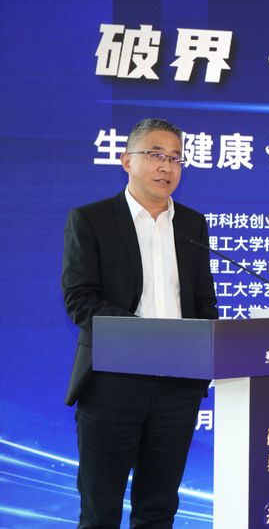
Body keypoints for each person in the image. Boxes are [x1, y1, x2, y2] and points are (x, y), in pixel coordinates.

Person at [62, 118, 218, 528]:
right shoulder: (91, 219)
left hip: (178, 389)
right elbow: (80, 300)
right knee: (100, 511)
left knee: (158, 510)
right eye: (155, 155)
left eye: (176, 159)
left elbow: (204, 301)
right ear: (126, 160)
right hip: (112, 383)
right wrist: (144, 338)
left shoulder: (192, 224)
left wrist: (203, 354)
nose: (167, 167)